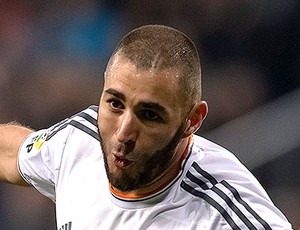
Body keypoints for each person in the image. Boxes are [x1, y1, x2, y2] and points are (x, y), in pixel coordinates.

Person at [0, 25, 293, 229]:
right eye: (115, 104)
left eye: (150, 115)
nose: (123, 133)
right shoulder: (78, 142)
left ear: (192, 120)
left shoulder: (222, 215)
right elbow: (12, 152)